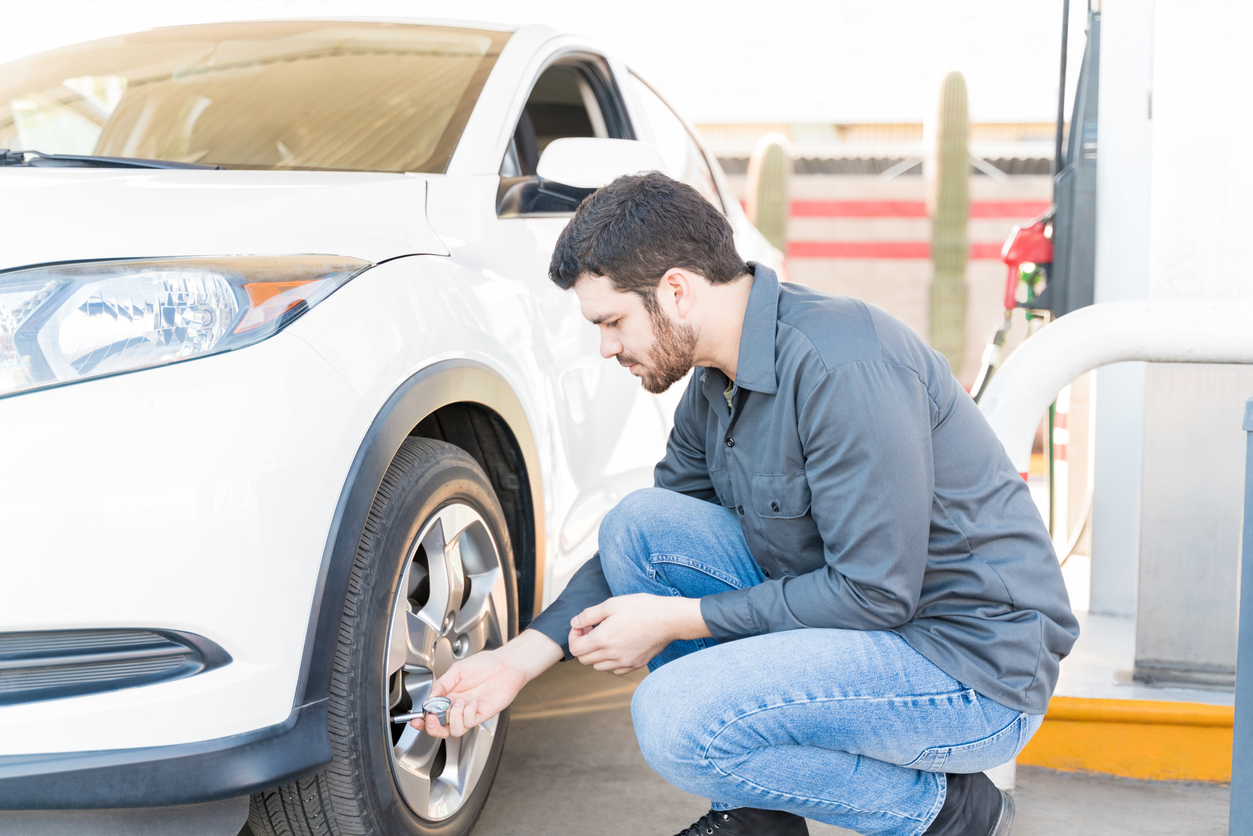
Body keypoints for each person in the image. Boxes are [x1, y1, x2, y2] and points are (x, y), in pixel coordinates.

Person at [415, 171, 1079, 836]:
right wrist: (518, 658)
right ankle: (755, 820)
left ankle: (945, 813)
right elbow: (646, 549)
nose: (606, 347)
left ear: (675, 291)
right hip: (876, 630)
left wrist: (679, 617)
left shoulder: (842, 364)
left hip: (967, 671)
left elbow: (876, 593)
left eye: (612, 321)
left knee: (674, 719)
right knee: (639, 528)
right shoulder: (714, 385)